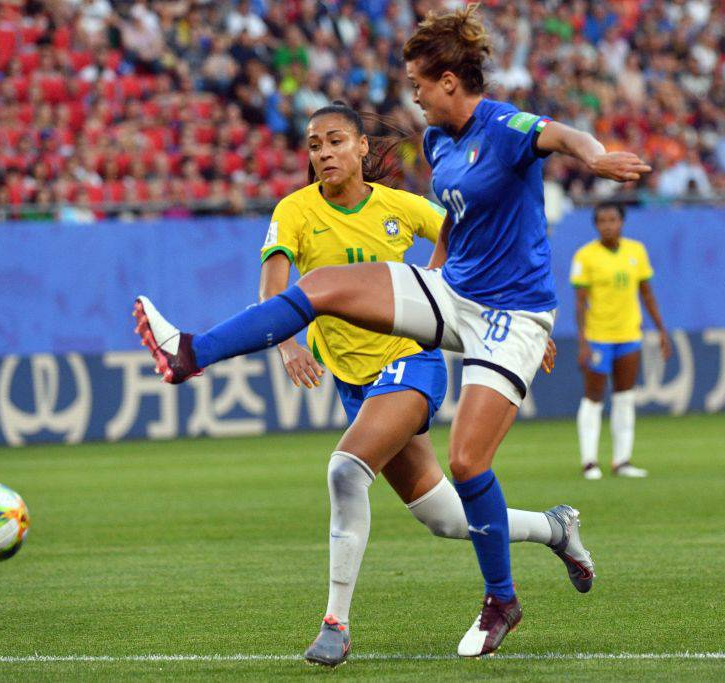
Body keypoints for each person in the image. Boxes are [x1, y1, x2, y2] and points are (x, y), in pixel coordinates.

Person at [133, 6, 649, 658]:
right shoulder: (437, 143)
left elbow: (566, 135)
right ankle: (190, 353)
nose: (411, 95)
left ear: (450, 83)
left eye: (419, 84)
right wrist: (433, 283)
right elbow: (456, 225)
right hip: (455, 292)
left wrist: (599, 158)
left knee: (466, 463)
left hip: (513, 315)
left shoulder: (506, 127)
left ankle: (501, 600)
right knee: (317, 291)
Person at [257, 102, 593, 666]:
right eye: (315, 146)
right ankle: (555, 528)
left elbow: (473, 238)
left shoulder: (398, 206)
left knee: (344, 471)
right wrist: (286, 340)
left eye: (336, 141)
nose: (323, 154)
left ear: (363, 147)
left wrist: (510, 318)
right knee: (445, 518)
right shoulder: (293, 211)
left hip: (411, 361)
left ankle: (336, 622)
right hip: (356, 380)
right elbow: (275, 277)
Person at [571, 203, 671, 479]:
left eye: (612, 219)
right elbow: (580, 304)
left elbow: (647, 294)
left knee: (624, 397)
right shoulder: (585, 256)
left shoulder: (636, 251)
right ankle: (589, 461)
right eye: (602, 220)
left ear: (622, 222)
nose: (607, 225)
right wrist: (583, 342)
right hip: (598, 336)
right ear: (595, 225)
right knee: (593, 398)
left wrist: (662, 329)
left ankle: (621, 460)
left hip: (629, 335)